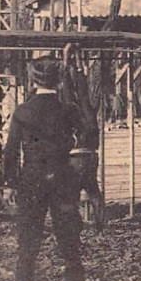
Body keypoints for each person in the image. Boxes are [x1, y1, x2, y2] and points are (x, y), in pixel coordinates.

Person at [3, 55, 86, 281]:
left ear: (32, 79)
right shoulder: (68, 110)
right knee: (71, 248)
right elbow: (82, 144)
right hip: (63, 181)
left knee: (27, 249)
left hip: (32, 181)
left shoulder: (22, 111)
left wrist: (11, 183)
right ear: (59, 79)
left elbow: (10, 152)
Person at [62, 45, 103, 230]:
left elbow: (69, 91)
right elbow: (83, 92)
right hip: (90, 154)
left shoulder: (71, 111)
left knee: (71, 193)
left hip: (75, 154)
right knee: (93, 190)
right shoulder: (89, 114)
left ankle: (74, 223)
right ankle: (100, 224)